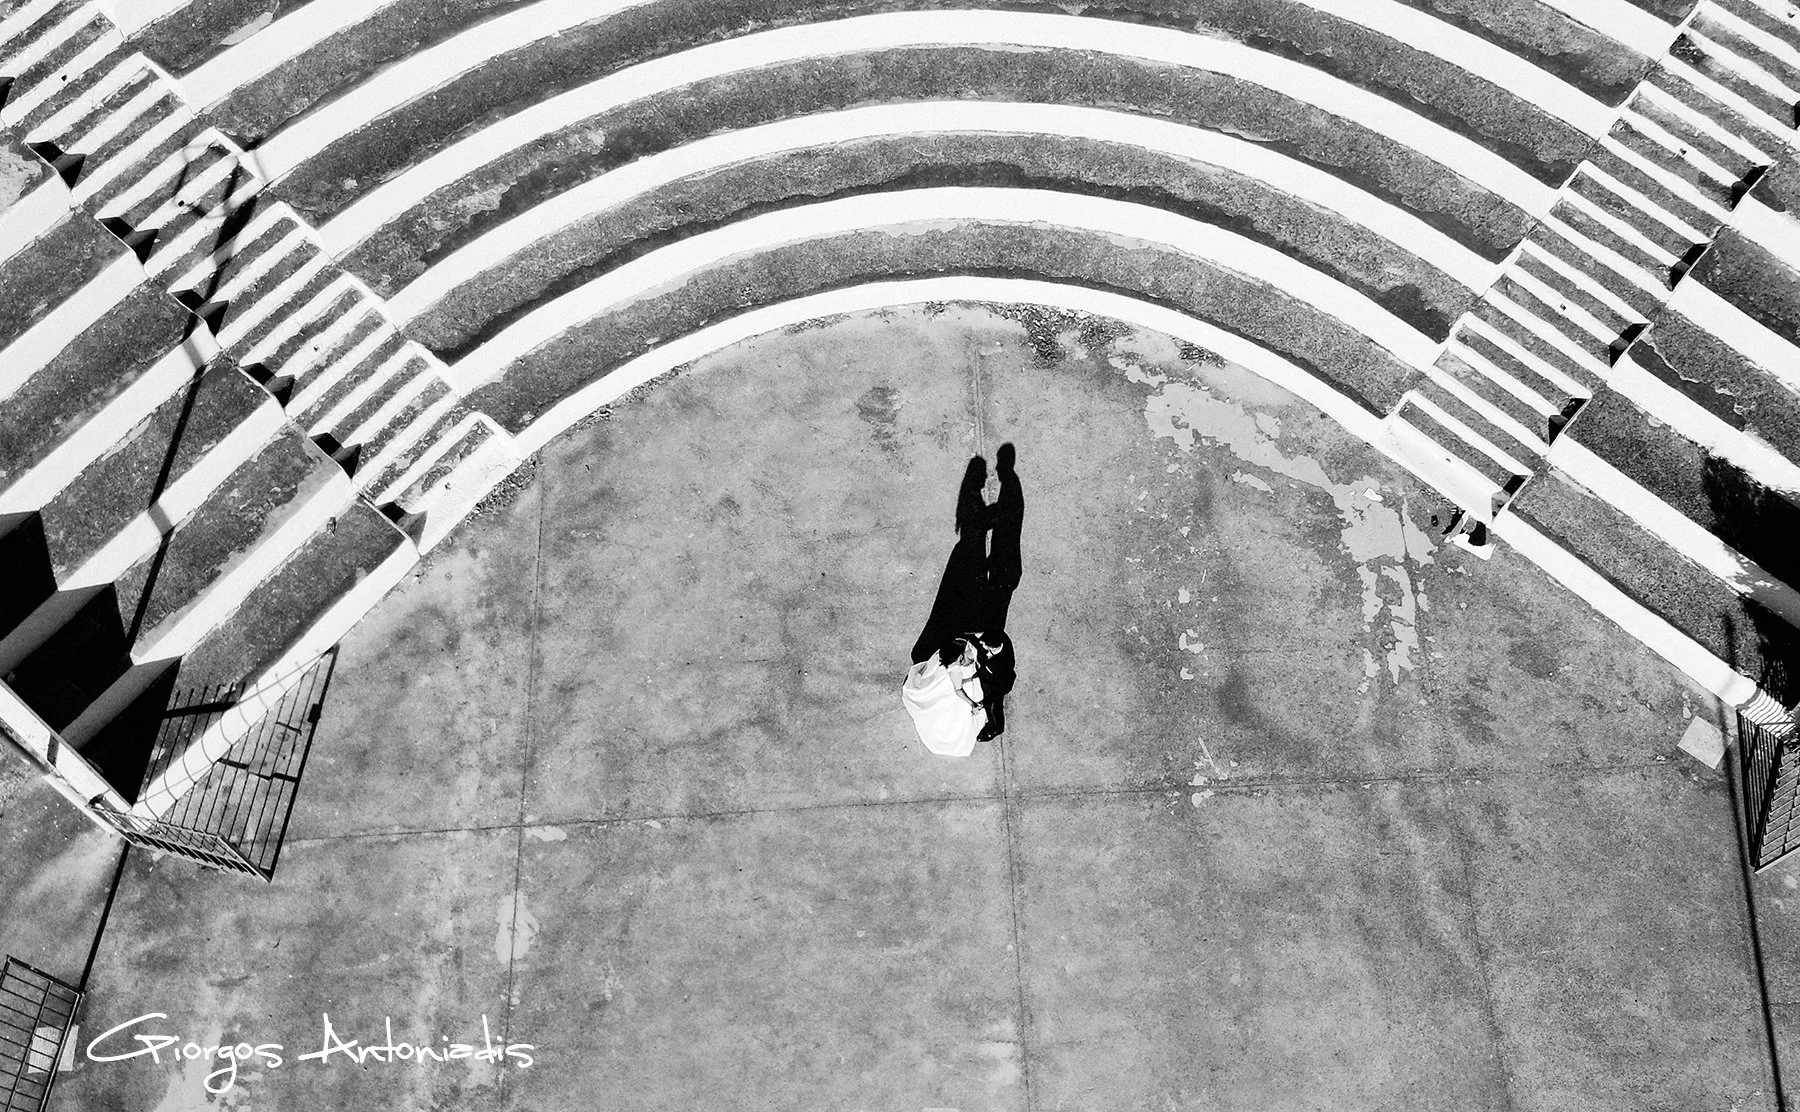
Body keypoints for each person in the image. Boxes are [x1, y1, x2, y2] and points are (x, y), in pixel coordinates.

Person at [902, 635, 987, 757]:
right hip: (958, 685)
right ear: (959, 655)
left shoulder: (949, 654)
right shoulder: (955, 669)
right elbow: (958, 690)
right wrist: (972, 704)